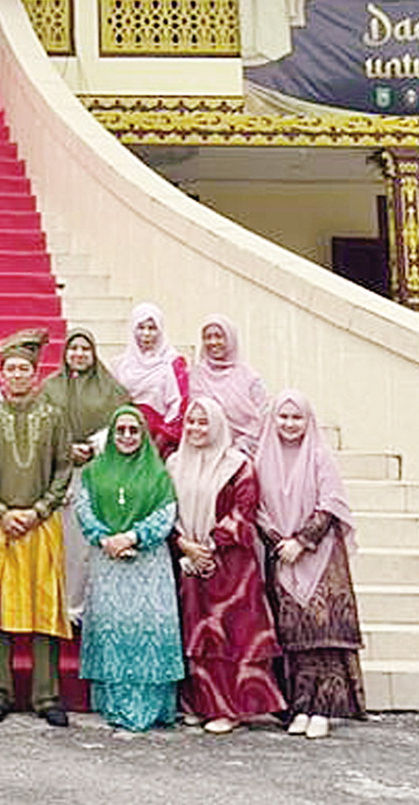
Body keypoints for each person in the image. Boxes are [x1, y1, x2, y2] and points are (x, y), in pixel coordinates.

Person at [167, 397, 285, 734]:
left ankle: (231, 708)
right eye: (191, 421)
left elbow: (243, 512)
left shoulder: (238, 465)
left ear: (218, 425)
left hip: (230, 565)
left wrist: (209, 546)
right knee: (199, 634)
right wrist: (184, 544)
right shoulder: (174, 463)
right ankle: (200, 704)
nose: (196, 428)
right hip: (190, 561)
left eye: (203, 422)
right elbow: (166, 508)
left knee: (230, 635)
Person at [0, 329, 73, 727]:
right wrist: (0, 511)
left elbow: (64, 468)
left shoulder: (54, 416)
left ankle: (46, 696)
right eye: (10, 369)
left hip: (41, 524)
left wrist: (39, 510)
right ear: (0, 375)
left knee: (44, 608)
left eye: (24, 369)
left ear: (36, 374)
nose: (17, 375)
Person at [254, 390, 365, 740]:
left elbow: (330, 504)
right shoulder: (262, 457)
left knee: (323, 633)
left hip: (320, 555)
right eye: (283, 417)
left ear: (308, 421)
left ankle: (324, 709)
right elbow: (257, 509)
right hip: (282, 556)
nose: (289, 424)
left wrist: (302, 541)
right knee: (293, 636)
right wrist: (279, 541)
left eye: (296, 417)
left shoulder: (319, 455)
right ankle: (299, 706)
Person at [73, 406, 184, 732]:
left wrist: (132, 536)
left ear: (143, 435)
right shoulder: (93, 472)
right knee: (114, 630)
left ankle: (153, 706)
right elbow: (84, 508)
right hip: (107, 562)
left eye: (133, 431)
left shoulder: (157, 472)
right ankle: (116, 705)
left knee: (149, 629)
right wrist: (105, 539)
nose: (126, 436)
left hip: (148, 563)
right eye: (120, 430)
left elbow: (166, 512)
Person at [42, 327, 129, 620]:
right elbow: (40, 428)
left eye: (85, 349)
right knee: (67, 544)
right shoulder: (50, 388)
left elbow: (125, 425)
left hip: (98, 473)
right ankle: (64, 606)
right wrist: (66, 448)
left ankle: (91, 607)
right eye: (73, 348)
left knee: (90, 543)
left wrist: (94, 446)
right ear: (65, 353)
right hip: (61, 475)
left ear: (94, 353)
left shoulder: (111, 389)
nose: (78, 354)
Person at [110, 303, 188, 458]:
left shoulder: (172, 363)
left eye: (152, 328)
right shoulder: (120, 365)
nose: (146, 334)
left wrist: (161, 439)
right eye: (140, 328)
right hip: (124, 435)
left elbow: (178, 405)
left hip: (159, 439)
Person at [189, 314, 268, 456]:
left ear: (231, 339)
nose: (213, 342)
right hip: (203, 453)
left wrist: (239, 450)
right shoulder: (196, 375)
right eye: (208, 337)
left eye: (219, 336)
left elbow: (262, 419)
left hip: (244, 454)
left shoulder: (249, 378)